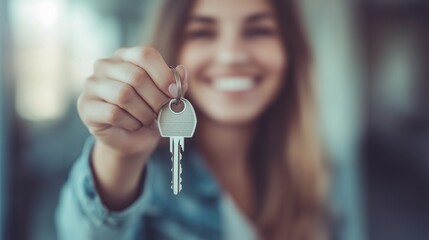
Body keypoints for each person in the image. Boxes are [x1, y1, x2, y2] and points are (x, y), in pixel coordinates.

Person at [56, 0, 329, 239]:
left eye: (258, 31)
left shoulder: (314, 171)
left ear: (290, 49)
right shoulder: (144, 175)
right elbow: (86, 234)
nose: (232, 55)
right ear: (172, 46)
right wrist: (118, 156)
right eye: (202, 32)